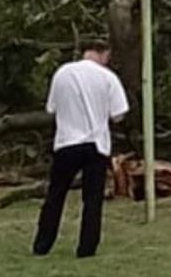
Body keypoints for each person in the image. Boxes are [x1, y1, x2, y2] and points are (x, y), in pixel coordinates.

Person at [33, 39, 129, 259]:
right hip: (96, 144)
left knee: (56, 194)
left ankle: (43, 243)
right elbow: (119, 114)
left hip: (67, 141)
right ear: (103, 53)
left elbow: (52, 108)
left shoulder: (63, 73)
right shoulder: (108, 78)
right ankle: (87, 247)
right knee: (93, 198)